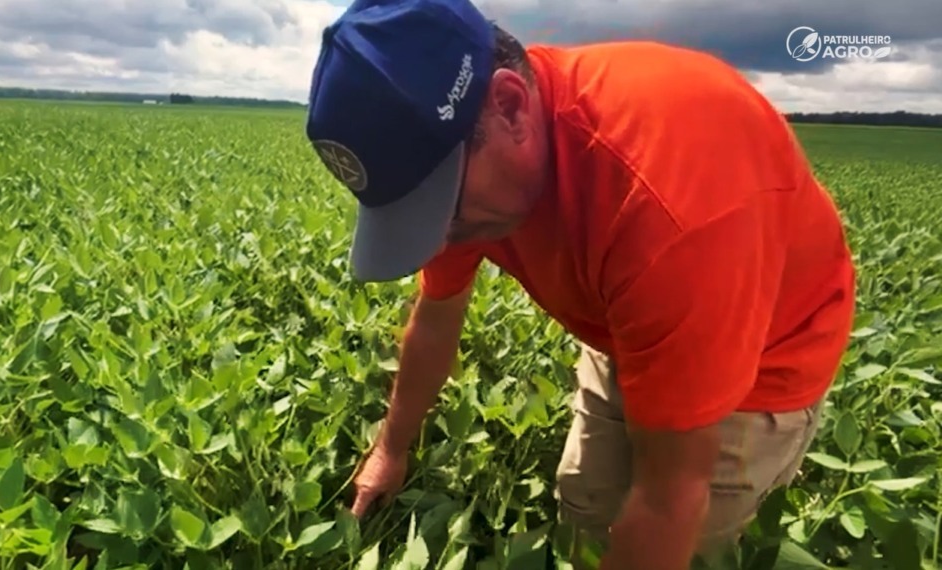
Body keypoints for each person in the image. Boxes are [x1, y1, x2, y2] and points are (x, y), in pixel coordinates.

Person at [304, 0, 856, 568]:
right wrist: (390, 450)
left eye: (440, 209)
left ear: (511, 108)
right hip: (631, 321)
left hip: (757, 365)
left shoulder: (667, 208)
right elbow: (436, 317)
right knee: (587, 514)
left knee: (692, 548)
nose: (438, 238)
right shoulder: (468, 176)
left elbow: (671, 498)